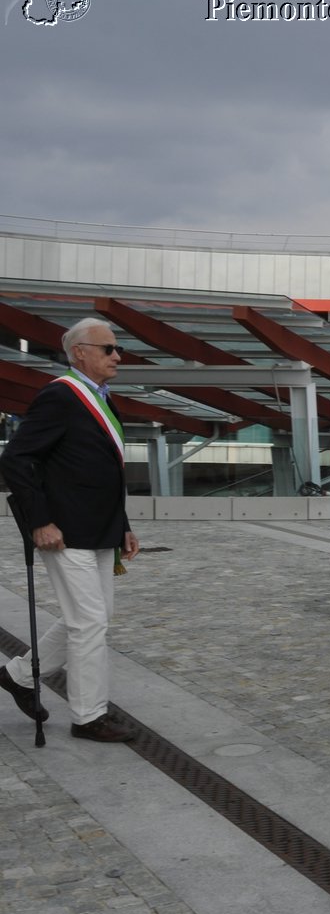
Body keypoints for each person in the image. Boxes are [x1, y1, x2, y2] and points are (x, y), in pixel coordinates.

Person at [0, 318, 140, 742]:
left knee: (94, 618)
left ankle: (18, 676)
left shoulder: (101, 398)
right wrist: (40, 520)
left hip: (100, 528)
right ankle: (88, 716)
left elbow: (106, 469)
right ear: (80, 352)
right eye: (108, 348)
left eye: (117, 349)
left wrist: (125, 527)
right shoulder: (61, 396)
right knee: (89, 621)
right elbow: (16, 460)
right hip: (64, 529)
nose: (117, 356)